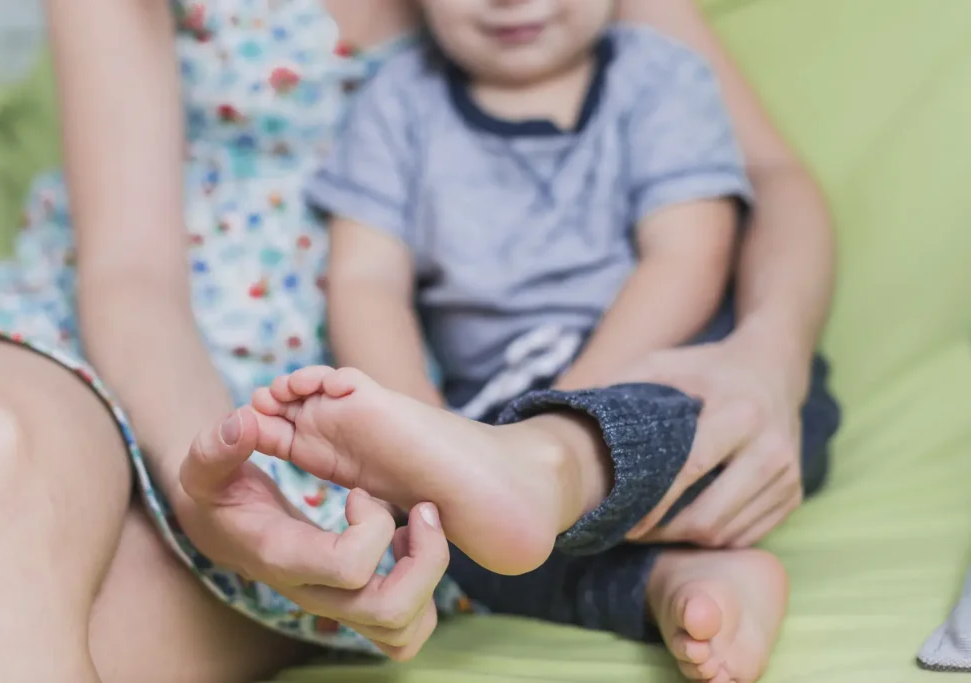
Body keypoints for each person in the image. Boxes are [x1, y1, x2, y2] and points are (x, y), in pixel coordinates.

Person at [0, 1, 837, 682]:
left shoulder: (589, 43)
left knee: (62, 626)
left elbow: (766, 178)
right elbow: (130, 275)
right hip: (131, 340)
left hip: (368, 436)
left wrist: (771, 354)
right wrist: (210, 488)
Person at [250, 1, 838, 682]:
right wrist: (422, 431)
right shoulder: (396, 104)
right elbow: (365, 279)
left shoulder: (658, 76)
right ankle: (671, 581)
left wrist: (562, 416)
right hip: (499, 405)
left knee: (668, 414)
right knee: (441, 537)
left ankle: (538, 472)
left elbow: (688, 257)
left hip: (669, 362)